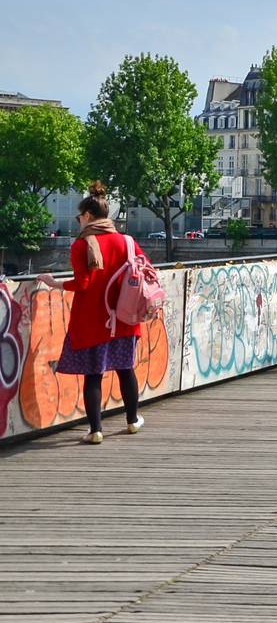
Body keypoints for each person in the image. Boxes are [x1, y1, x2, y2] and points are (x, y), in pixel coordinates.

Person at [34, 182, 147, 444]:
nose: (78, 222)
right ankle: (132, 421)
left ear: (87, 216)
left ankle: (96, 430)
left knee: (93, 375)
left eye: (79, 217)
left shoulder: (82, 245)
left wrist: (54, 283)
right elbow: (143, 271)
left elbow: (82, 284)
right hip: (123, 318)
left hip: (93, 321)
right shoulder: (128, 242)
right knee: (126, 369)